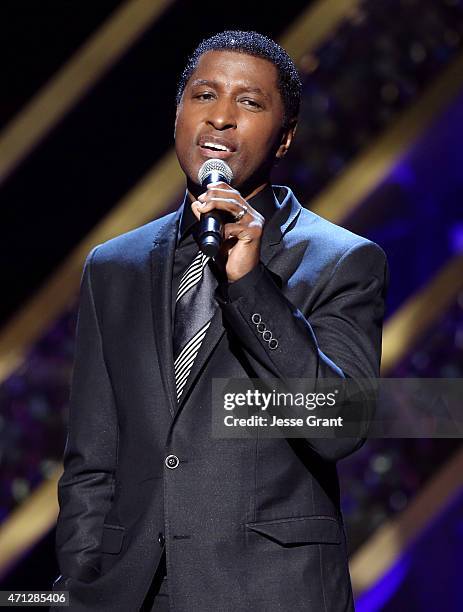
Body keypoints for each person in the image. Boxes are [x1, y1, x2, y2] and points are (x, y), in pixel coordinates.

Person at [53, 30, 389, 611]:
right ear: (178, 112)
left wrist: (252, 285)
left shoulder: (341, 261)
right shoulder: (115, 267)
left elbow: (338, 426)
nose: (222, 119)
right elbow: (92, 458)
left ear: (285, 138)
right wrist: (86, 580)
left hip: (269, 592)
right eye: (204, 96)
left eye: (250, 102)